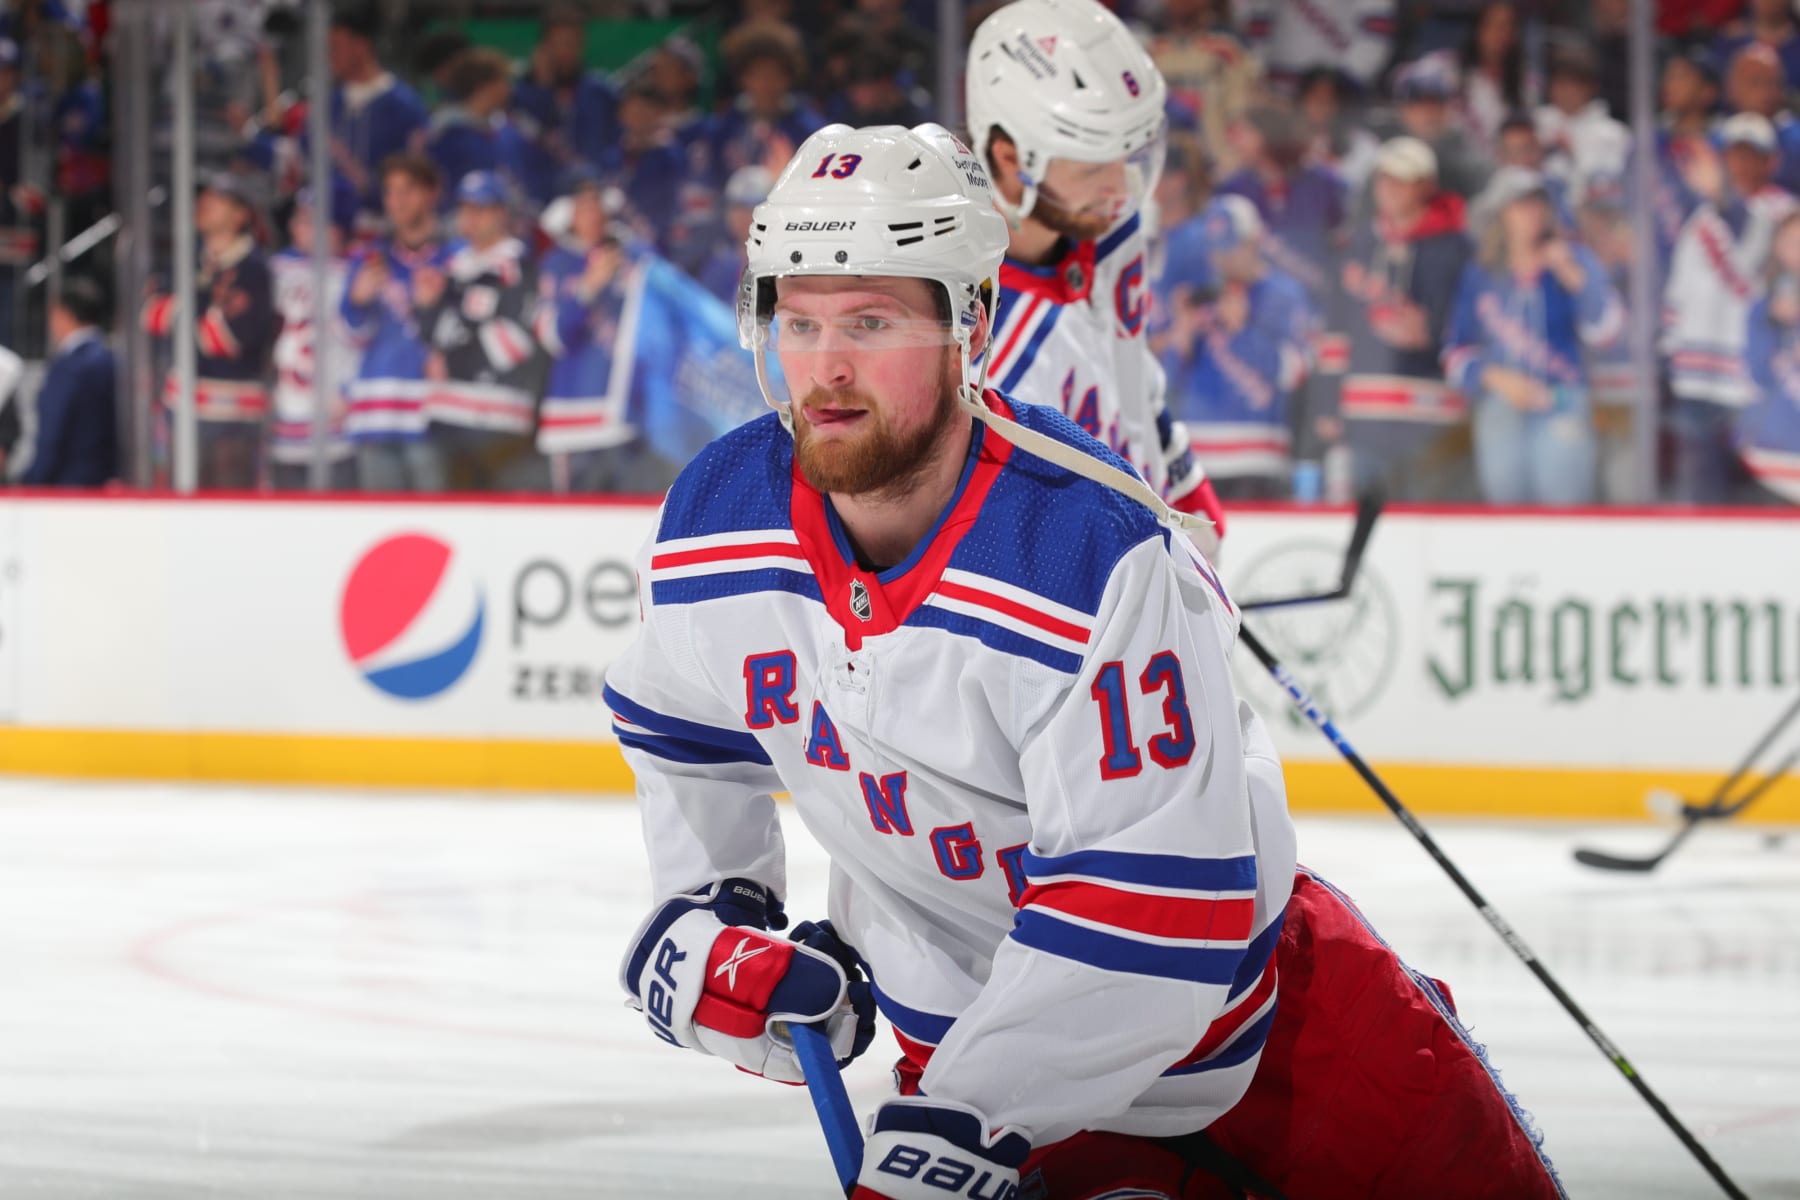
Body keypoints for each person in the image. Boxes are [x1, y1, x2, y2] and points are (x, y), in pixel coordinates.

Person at [607, 121, 1565, 1200]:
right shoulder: (716, 518)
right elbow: (676, 725)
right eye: (800, 318)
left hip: (1283, 1045)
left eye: (871, 322)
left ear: (967, 321)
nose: (825, 368)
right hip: (983, 1075)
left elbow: (1153, 903)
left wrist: (968, 1119)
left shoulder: (1087, 548)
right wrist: (713, 912)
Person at [970, 0, 1225, 553]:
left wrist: (1179, 480)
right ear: (1011, 162)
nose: (1121, 187)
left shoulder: (1102, 220)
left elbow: (1127, 369)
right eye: (1091, 165)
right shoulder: (976, 344)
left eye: (1127, 155)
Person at [1442, 169, 1623, 506]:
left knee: (1562, 512)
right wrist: (1494, 377)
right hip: (1500, 404)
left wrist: (1570, 274)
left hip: (1562, 402)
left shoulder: (1575, 260)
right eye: (1520, 206)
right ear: (1501, 215)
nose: (1531, 214)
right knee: (1505, 517)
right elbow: (1455, 353)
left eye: (1538, 205)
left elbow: (1608, 331)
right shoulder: (1482, 274)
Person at [1326, 136, 1473, 500]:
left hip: (1432, 420)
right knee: (1367, 533)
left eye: (1402, 179)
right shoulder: (1356, 247)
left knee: (1430, 534)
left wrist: (1431, 336)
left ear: (1426, 185)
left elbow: (1473, 327)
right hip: (1365, 415)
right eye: (1383, 178)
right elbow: (1334, 333)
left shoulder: (1457, 249)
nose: (1389, 188)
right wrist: (1327, 403)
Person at [1663, 112, 1799, 502]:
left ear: (1771, 160)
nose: (1740, 163)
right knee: (1701, 494)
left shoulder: (1781, 215)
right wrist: (1670, 351)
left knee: (1756, 500)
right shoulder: (1702, 216)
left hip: (1747, 385)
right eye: (1733, 154)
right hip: (1695, 378)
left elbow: (1751, 264)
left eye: (1751, 154)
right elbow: (1679, 291)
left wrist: (1722, 198)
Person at [1160, 195, 1316, 497]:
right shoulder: (1201, 294)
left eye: (1230, 248)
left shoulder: (1283, 294)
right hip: (1197, 456)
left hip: (1258, 457)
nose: (1222, 259)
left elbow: (1294, 374)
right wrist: (1181, 335)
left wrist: (1242, 333)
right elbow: (1168, 382)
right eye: (1215, 249)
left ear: (1254, 241)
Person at [142, 173, 276, 489]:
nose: (203, 205)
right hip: (183, 410)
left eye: (217, 201)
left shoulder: (254, 269)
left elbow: (228, 339)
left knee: (228, 516)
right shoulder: (183, 260)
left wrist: (182, 313)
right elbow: (151, 315)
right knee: (179, 516)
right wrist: (205, 315)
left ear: (241, 214)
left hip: (234, 417)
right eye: (202, 200)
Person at [412, 170, 540, 490]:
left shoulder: (518, 268)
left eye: (481, 208)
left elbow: (515, 346)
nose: (471, 216)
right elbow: (436, 336)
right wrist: (425, 308)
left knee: (497, 532)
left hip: (497, 424)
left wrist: (452, 361)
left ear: (502, 213)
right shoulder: (452, 267)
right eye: (465, 207)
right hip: (446, 416)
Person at [340, 152, 454, 492]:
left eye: (408, 190)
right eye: (390, 191)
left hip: (432, 412)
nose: (398, 201)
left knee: (436, 524)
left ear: (432, 193)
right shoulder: (370, 256)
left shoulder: (456, 256)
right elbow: (349, 332)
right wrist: (357, 301)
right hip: (376, 410)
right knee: (381, 525)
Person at [268, 181, 359, 491]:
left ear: (334, 229)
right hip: (284, 424)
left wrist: (350, 392)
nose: (295, 227)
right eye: (298, 219)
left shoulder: (353, 274)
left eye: (307, 220)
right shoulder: (275, 270)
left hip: (337, 428)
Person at [19, 275, 114, 487]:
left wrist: (32, 481)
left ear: (64, 315)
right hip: (105, 483)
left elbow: (52, 435)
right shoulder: (111, 360)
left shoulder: (69, 368)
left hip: (67, 487)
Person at [1740, 206, 1800, 503]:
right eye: (1791, 242)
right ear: (1777, 246)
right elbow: (1757, 375)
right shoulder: (1762, 307)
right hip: (1773, 453)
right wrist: (1772, 321)